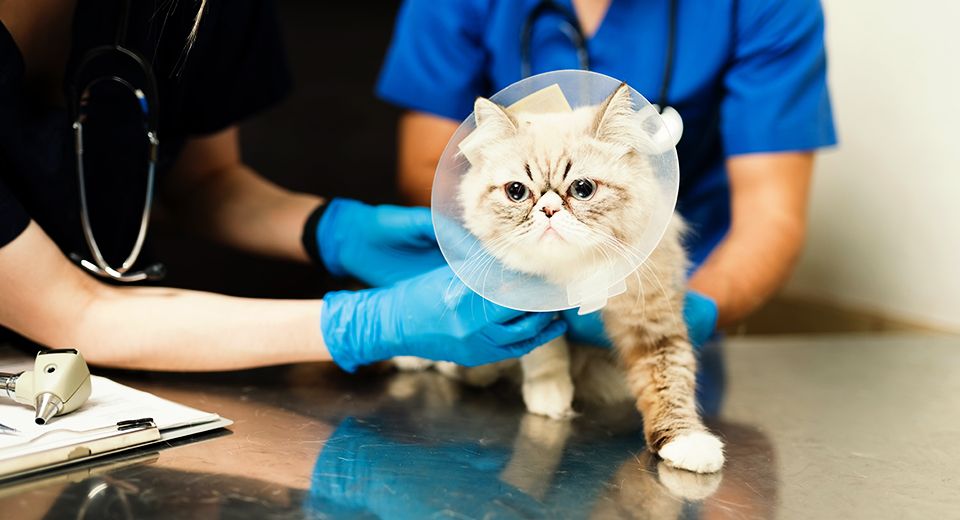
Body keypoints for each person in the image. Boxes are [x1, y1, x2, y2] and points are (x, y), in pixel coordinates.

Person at [0, 0, 565, 372]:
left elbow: (204, 183)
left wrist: (334, 230)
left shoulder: (198, 11)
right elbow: (72, 312)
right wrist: (366, 325)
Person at [376, 0, 837, 342]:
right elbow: (428, 166)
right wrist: (514, 278)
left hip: (673, 279)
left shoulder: (767, 6)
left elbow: (770, 214)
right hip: (508, 288)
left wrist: (681, 314)